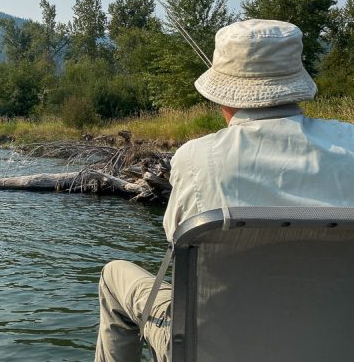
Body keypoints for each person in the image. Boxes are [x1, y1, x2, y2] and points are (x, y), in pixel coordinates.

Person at [95, 19, 354, 362]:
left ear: (222, 95)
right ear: (295, 82)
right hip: (332, 343)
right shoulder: (349, 144)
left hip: (211, 348)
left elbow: (178, 240)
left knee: (113, 275)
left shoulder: (195, 158)